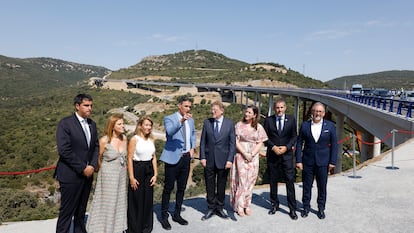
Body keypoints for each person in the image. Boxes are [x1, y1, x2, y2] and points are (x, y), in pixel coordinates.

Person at [55, 93, 99, 233]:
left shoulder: (92, 124)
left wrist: (92, 165)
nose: (89, 108)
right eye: (86, 105)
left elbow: (96, 146)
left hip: (87, 176)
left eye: (91, 105)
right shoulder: (65, 123)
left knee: (81, 212)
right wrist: (82, 168)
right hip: (70, 176)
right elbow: (64, 150)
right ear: (77, 106)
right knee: (67, 213)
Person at [295, 102, 338, 220]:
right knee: (307, 186)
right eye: (315, 111)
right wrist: (298, 160)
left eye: (320, 111)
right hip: (307, 161)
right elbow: (299, 144)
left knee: (322, 187)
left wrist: (332, 161)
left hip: (323, 162)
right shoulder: (304, 125)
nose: (317, 113)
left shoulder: (330, 126)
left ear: (323, 113)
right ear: (312, 112)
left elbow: (334, 145)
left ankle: (321, 208)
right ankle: (306, 207)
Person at [86, 113, 128, 233]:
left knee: (119, 201)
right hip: (108, 175)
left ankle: (116, 228)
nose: (123, 126)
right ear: (112, 125)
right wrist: (101, 170)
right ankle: (103, 229)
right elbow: (97, 157)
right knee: (107, 203)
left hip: (121, 174)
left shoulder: (124, 138)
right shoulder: (104, 140)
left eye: (123, 123)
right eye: (119, 124)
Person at [159, 96, 196, 230]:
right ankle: (163, 216)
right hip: (173, 158)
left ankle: (177, 214)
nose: (188, 109)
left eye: (190, 107)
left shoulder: (191, 120)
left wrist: (192, 147)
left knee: (181, 188)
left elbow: (192, 133)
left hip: (186, 158)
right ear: (179, 105)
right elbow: (169, 132)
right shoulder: (169, 118)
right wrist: (181, 121)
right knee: (168, 188)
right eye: (186, 106)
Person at [199, 100, 236, 220]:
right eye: (212, 109)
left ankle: (219, 208)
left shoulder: (229, 124)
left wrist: (230, 160)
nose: (212, 112)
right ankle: (210, 208)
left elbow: (232, 144)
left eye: (215, 110)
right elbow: (203, 142)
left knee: (221, 185)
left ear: (222, 110)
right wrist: (203, 157)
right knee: (209, 185)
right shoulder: (207, 122)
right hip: (209, 160)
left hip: (224, 161)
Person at [230, 105, 268, 217]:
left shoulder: (259, 127)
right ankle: (239, 205)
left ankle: (247, 204)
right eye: (246, 112)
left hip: (253, 156)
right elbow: (235, 141)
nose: (246, 114)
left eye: (249, 113)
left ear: (255, 115)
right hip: (240, 155)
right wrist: (245, 153)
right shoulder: (238, 125)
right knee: (241, 181)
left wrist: (251, 154)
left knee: (250, 181)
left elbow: (260, 142)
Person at [264, 99, 298, 220]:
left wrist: (287, 147)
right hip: (273, 155)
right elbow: (264, 137)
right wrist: (273, 147)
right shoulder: (268, 120)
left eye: (281, 107)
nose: (279, 110)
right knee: (273, 181)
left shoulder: (292, 120)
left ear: (285, 108)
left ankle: (292, 209)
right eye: (277, 108)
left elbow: (294, 136)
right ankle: (274, 204)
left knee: (289, 181)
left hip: (287, 156)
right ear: (274, 108)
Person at [128, 116, 158, 233]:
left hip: (149, 170)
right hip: (137, 169)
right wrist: (131, 177)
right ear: (140, 125)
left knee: (147, 200)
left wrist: (155, 174)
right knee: (136, 200)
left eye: (150, 125)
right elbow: (129, 158)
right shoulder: (134, 139)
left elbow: (154, 157)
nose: (148, 127)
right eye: (146, 125)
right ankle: (135, 228)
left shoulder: (152, 139)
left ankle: (146, 227)